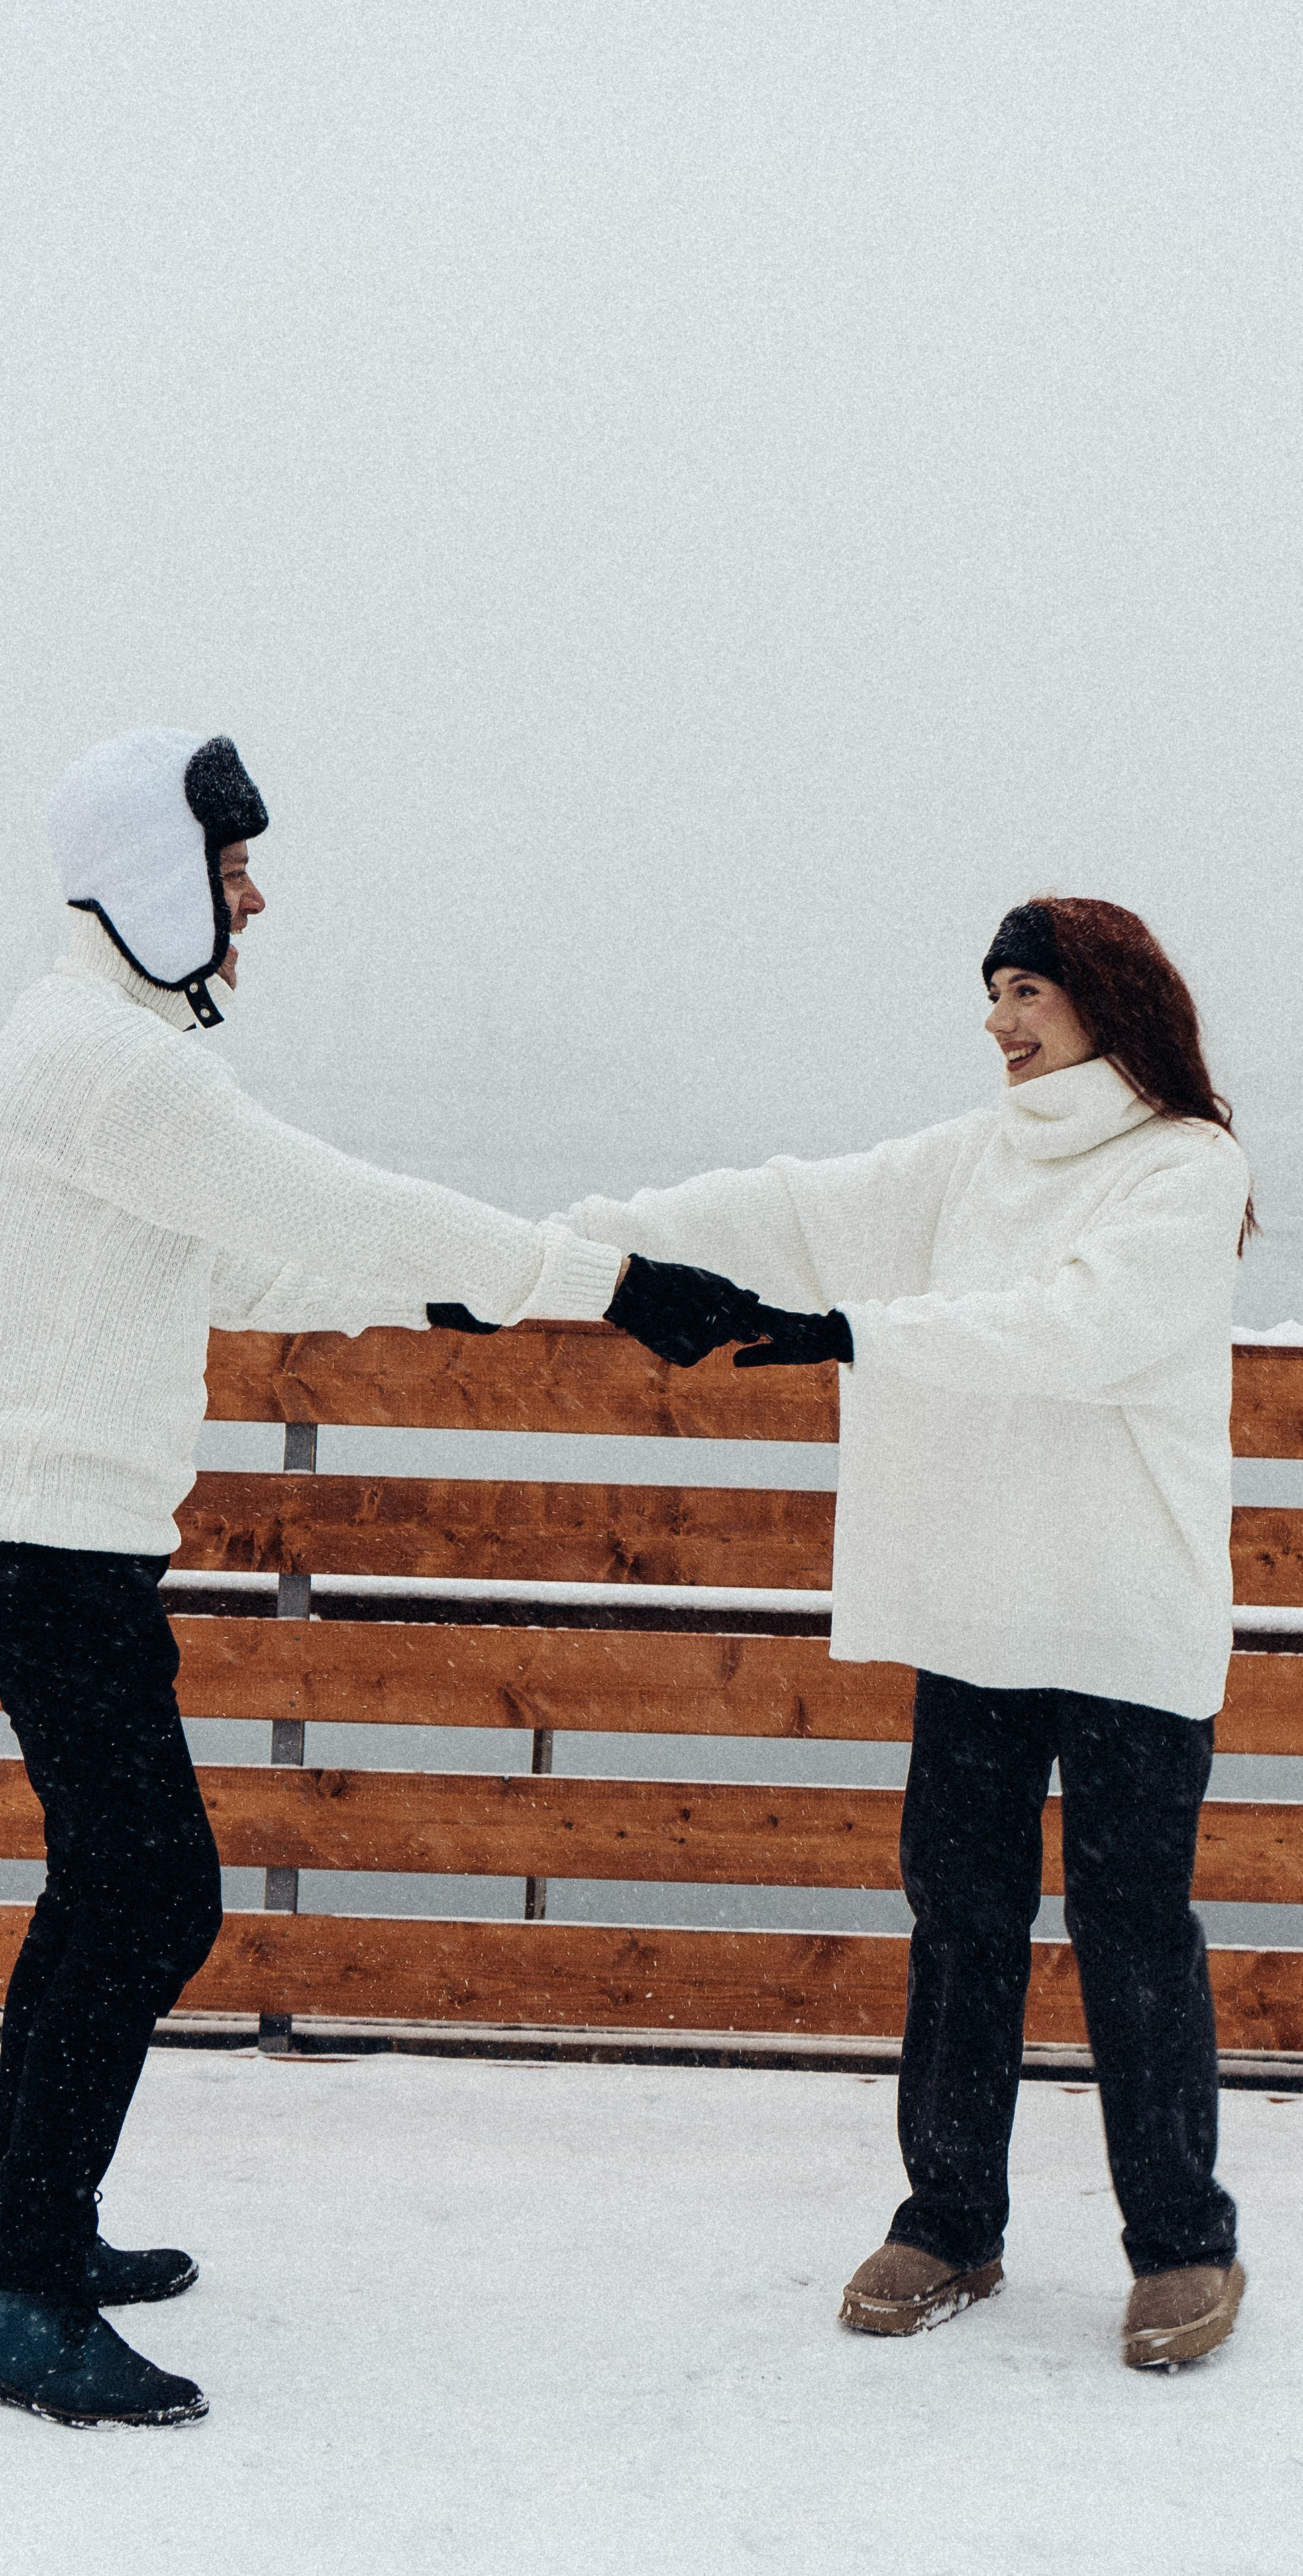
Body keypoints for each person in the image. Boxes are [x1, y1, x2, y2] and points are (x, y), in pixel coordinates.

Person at [0, 729, 756, 2428]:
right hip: (45, 1544)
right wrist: (596, 1277)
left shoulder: (97, 1054)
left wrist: (452, 1293)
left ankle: (22, 2227)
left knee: (115, 1893)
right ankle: (19, 2277)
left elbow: (255, 1256)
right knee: (146, 1899)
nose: (253, 894)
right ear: (141, 872)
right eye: (228, 864)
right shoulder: (118, 1069)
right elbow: (328, 1197)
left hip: (66, 1541)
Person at [560, 896, 1253, 2371]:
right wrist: (572, 1248)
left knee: (1131, 1933)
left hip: (1126, 1621)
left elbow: (1079, 1330)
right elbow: (795, 1205)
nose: (1000, 1021)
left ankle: (1183, 2242)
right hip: (978, 1608)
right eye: (992, 994)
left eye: (1026, 992)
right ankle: (948, 2221)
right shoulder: (972, 1158)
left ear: (1104, 1002)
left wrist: (856, 1332)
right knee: (959, 1925)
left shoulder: (1187, 1171)